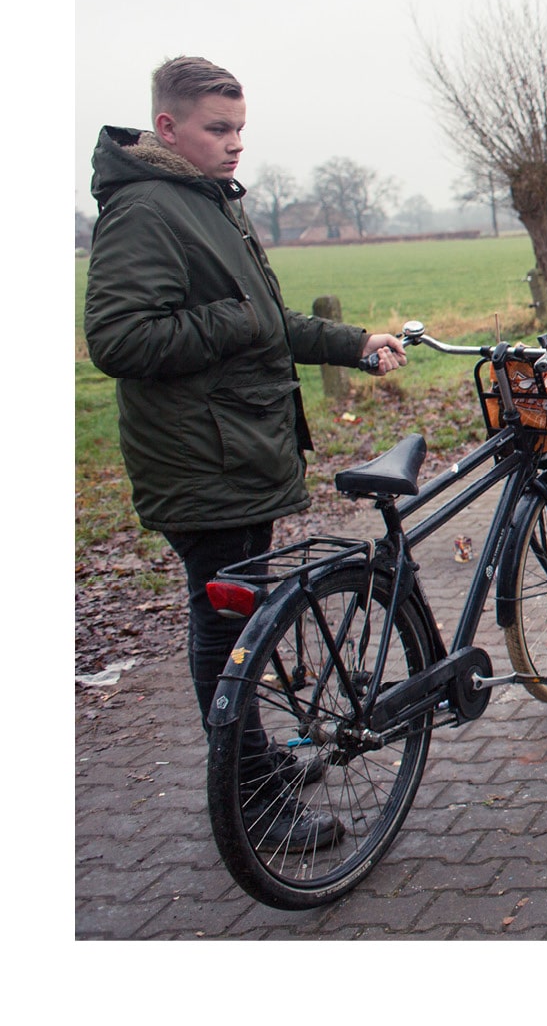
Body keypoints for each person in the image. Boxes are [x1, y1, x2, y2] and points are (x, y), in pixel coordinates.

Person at [84, 56, 407, 848]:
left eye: (239, 129)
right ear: (167, 128)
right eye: (217, 129)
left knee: (236, 623)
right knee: (225, 632)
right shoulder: (146, 209)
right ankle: (252, 800)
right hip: (203, 461)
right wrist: (233, 320)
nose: (234, 144)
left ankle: (253, 764)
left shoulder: (206, 201)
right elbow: (118, 339)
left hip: (237, 452)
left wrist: (353, 343)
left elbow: (269, 319)